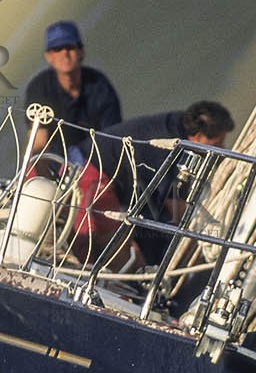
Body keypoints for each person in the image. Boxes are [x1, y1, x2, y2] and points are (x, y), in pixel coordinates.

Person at [85, 101, 235, 266]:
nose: (222, 148)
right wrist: (193, 237)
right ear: (198, 136)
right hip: (93, 171)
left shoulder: (178, 122)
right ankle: (132, 283)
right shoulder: (172, 149)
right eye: (218, 143)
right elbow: (175, 209)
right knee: (114, 242)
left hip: (111, 168)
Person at [21, 20, 122, 157]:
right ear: (49, 56)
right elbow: (39, 142)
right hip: (58, 162)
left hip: (99, 157)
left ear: (81, 51)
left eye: (70, 47)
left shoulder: (99, 84)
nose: (65, 54)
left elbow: (113, 135)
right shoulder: (39, 88)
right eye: (57, 49)